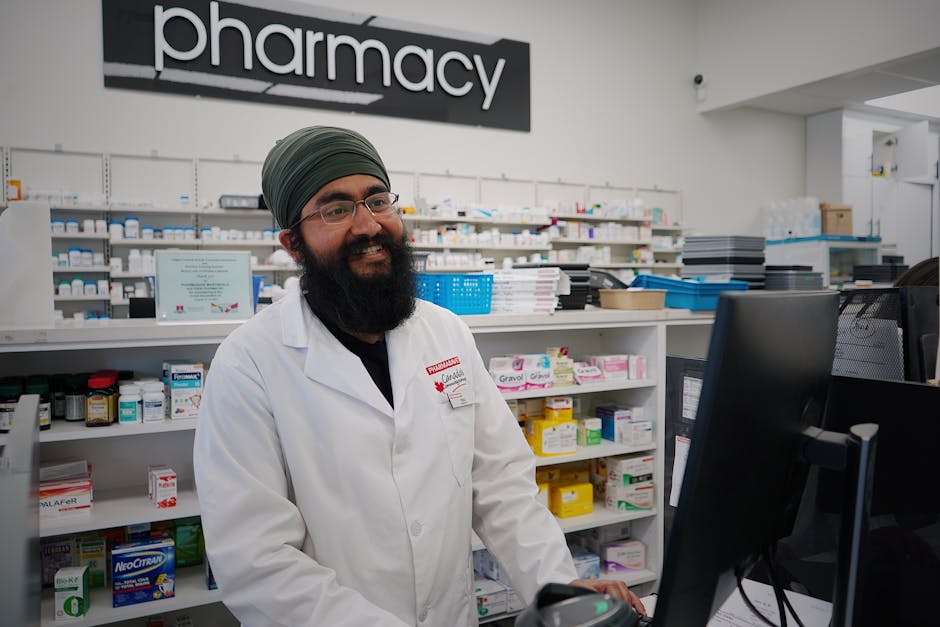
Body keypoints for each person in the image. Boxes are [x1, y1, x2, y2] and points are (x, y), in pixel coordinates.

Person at [193, 126, 646, 626]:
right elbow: (257, 563)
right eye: (336, 210)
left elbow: (499, 483)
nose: (368, 225)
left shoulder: (445, 332)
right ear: (293, 245)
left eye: (377, 200)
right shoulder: (249, 365)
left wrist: (558, 586)